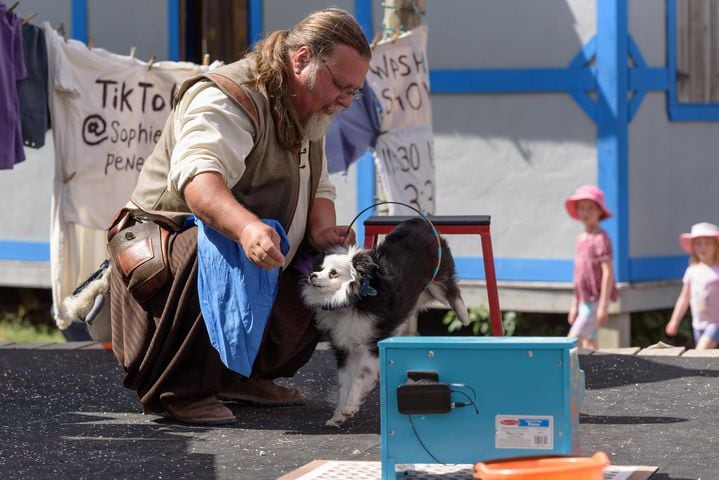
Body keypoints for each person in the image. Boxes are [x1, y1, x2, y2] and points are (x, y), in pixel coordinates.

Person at [107, 8, 371, 425]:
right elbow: (200, 181)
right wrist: (247, 228)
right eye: (340, 85)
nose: (344, 100)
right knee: (214, 247)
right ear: (301, 59)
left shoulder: (311, 105)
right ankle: (180, 388)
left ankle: (238, 376)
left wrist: (322, 232)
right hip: (161, 255)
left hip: (252, 250)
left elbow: (317, 185)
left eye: (353, 91)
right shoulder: (228, 94)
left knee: (329, 269)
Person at [565, 184, 618, 349]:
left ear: (599, 211)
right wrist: (574, 304)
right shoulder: (580, 238)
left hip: (595, 300)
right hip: (583, 299)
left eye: (590, 208)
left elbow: (608, 273)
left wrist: (603, 305)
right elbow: (578, 274)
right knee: (589, 342)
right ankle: (589, 373)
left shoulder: (601, 239)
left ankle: (564, 372)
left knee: (571, 340)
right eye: (581, 208)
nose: (585, 213)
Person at [665, 222, 719, 350]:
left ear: (716, 246)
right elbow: (684, 298)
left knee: (701, 351)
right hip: (698, 324)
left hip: (716, 323)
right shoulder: (692, 271)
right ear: (693, 247)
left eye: (707, 243)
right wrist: (675, 321)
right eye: (698, 244)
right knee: (706, 359)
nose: (702, 248)